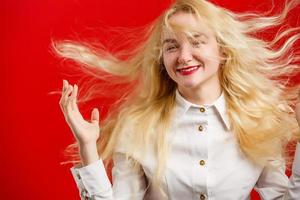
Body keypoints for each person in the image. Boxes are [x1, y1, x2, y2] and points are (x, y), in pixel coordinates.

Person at [55, 0, 300, 199]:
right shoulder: (137, 126)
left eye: (196, 42)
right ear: (162, 58)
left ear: (222, 51)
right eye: (172, 46)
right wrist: (87, 147)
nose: (183, 56)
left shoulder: (260, 121)